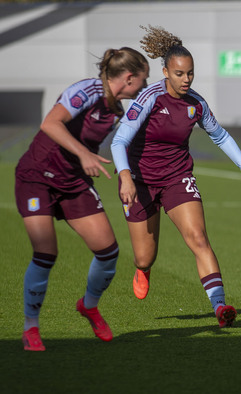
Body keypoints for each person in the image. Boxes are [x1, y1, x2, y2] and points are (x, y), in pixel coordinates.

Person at [111, 26, 241, 328]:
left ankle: (220, 307)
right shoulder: (149, 98)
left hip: (177, 177)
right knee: (145, 257)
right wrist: (126, 177)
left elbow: (220, 136)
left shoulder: (196, 104)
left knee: (198, 237)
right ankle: (143, 269)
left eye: (190, 73)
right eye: (180, 74)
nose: (186, 80)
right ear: (166, 71)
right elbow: (119, 141)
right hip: (140, 180)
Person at [15, 47, 150, 351]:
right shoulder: (85, 91)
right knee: (46, 254)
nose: (142, 86)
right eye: (142, 80)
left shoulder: (118, 109)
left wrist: (127, 173)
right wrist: (84, 153)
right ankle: (30, 326)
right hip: (36, 177)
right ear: (128, 77)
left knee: (108, 253)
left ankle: (89, 306)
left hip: (73, 182)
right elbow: (49, 124)